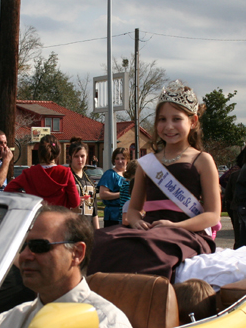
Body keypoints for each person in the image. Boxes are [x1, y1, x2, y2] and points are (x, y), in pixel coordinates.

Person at [87, 80, 221, 281]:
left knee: (151, 250)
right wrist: (136, 221)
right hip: (150, 229)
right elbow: (133, 209)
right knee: (98, 241)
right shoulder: (147, 163)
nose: (168, 126)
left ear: (192, 122)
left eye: (176, 119)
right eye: (162, 119)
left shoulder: (202, 160)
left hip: (186, 233)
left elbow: (212, 215)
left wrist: (175, 226)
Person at [0, 206, 135, 328]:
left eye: (39, 246)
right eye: (22, 246)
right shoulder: (3, 326)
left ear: (76, 253)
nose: (24, 255)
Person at [5, 135, 79, 208]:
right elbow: (75, 203)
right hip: (59, 216)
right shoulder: (65, 172)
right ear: (58, 152)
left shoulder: (29, 173)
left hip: (36, 216)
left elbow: (8, 190)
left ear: (39, 152)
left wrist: (27, 198)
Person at [68, 140, 99, 229]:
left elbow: (94, 212)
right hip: (71, 227)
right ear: (70, 157)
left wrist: (97, 232)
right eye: (76, 156)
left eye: (82, 156)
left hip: (87, 228)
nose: (80, 160)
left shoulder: (89, 180)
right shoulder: (67, 178)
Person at [97, 147, 129, 227]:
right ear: (114, 160)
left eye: (122, 158)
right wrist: (122, 194)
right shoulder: (110, 174)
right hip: (113, 216)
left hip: (129, 215)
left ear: (127, 159)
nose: (120, 161)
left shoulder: (131, 174)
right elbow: (103, 194)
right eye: (117, 158)